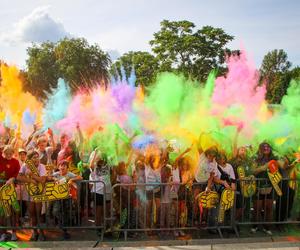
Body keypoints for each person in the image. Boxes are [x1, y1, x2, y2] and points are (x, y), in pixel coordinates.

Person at [16, 150, 47, 241]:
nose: (36, 159)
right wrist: (29, 180)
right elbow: (18, 177)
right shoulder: (25, 166)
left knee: (39, 213)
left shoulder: (42, 167)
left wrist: (32, 176)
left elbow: (42, 180)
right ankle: (34, 232)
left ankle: (41, 232)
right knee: (32, 213)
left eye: (37, 157)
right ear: (29, 159)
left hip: (39, 193)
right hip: (28, 194)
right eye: (34, 157)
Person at [50, 160, 82, 239]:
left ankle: (65, 230)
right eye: (61, 165)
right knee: (55, 211)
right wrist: (54, 179)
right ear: (59, 167)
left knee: (66, 212)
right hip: (58, 197)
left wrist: (71, 180)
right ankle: (61, 224)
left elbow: (80, 177)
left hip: (68, 197)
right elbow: (49, 176)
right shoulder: (56, 174)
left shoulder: (69, 174)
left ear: (67, 168)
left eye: (64, 166)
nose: (62, 167)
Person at [251, 142, 277, 236]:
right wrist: (264, 167)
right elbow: (253, 170)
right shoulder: (255, 158)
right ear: (260, 148)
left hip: (270, 187)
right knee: (257, 208)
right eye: (264, 147)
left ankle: (267, 227)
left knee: (269, 208)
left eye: (268, 146)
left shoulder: (274, 158)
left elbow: (281, 167)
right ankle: (255, 226)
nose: (266, 148)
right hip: (257, 187)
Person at [0, 145, 21, 241]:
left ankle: (14, 233)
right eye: (6, 153)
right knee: (2, 212)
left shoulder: (16, 162)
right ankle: (3, 233)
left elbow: (17, 173)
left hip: (12, 190)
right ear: (3, 153)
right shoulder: (0, 159)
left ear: (13, 153)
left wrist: (13, 178)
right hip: (1, 190)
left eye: (10, 153)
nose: (8, 155)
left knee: (13, 211)